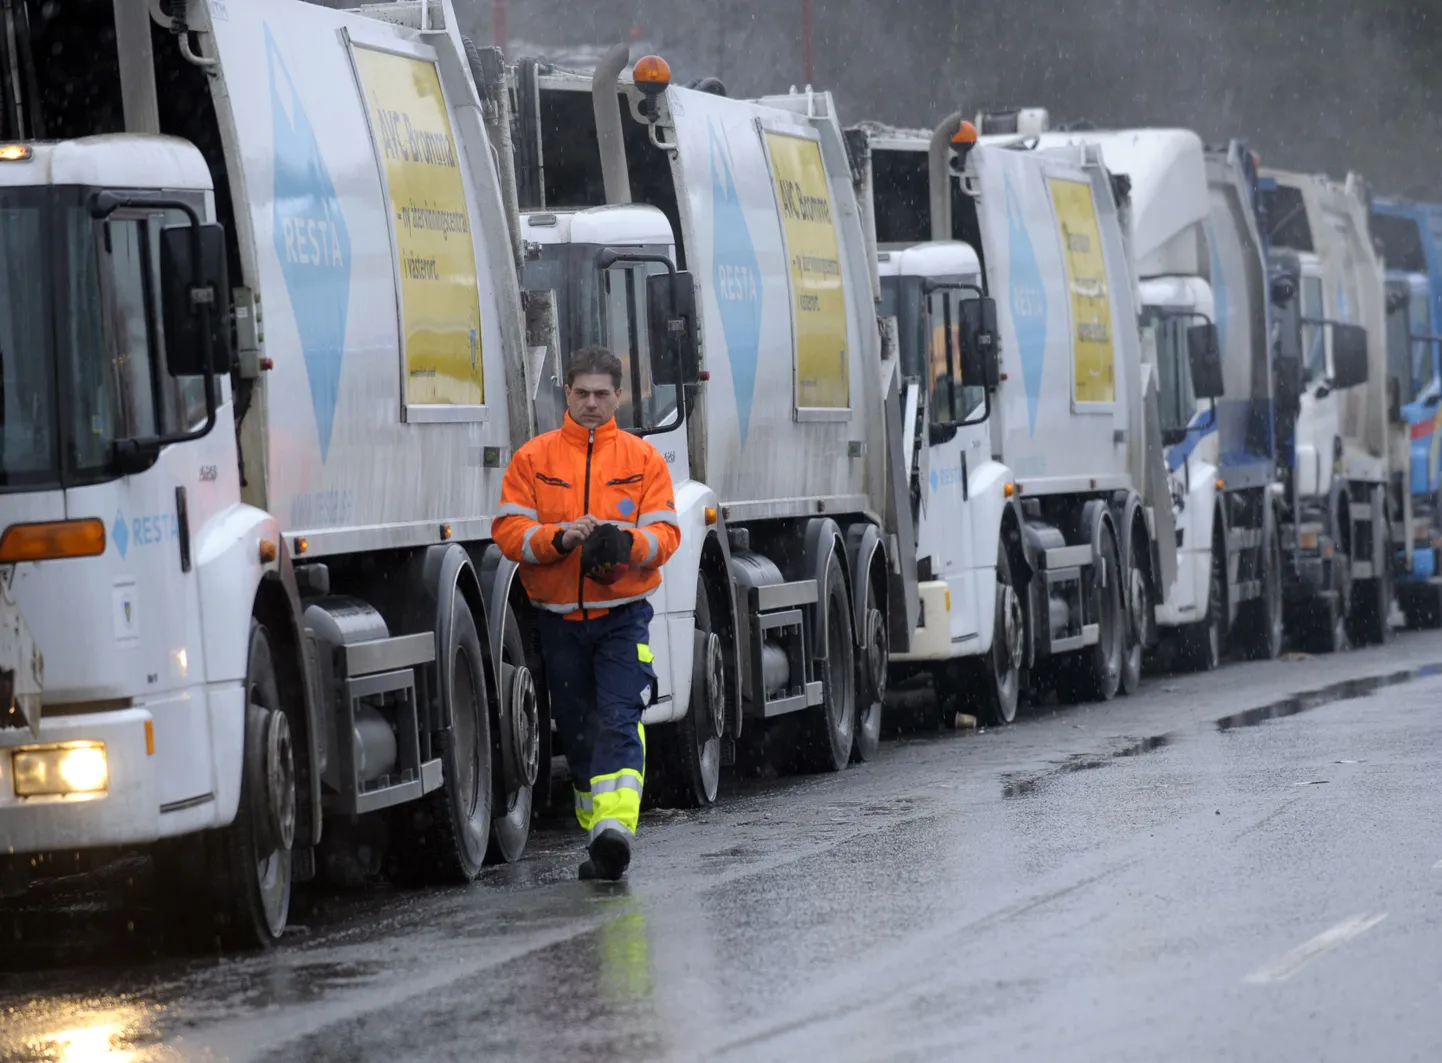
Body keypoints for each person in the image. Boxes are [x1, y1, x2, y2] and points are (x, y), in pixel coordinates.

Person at [493, 346, 680, 881]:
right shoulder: (534, 459)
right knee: (576, 732)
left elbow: (667, 535)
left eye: (602, 394)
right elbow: (508, 532)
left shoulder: (644, 461)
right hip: (557, 622)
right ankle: (595, 830)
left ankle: (615, 831)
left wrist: (624, 544)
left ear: (619, 396)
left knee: (620, 717)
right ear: (567, 394)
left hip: (623, 618)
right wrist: (558, 537)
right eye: (583, 393)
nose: (592, 403)